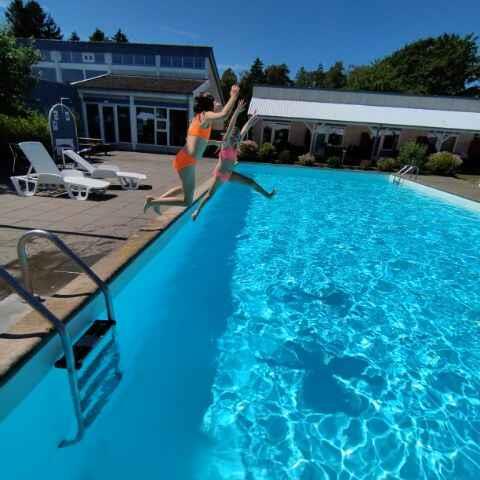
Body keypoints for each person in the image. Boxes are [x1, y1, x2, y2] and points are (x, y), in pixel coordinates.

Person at [144, 85, 240, 214]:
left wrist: (213, 142)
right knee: (188, 201)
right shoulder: (206, 116)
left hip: (184, 159)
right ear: (209, 105)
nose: (217, 103)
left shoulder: (197, 118)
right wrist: (233, 96)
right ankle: (153, 201)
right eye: (215, 101)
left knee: (185, 188)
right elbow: (224, 115)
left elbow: (196, 141)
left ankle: (157, 202)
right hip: (187, 161)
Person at [192, 101, 275, 221]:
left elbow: (245, 129)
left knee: (251, 182)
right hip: (220, 175)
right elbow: (231, 126)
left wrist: (252, 119)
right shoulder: (226, 143)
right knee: (210, 195)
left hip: (230, 174)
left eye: (237, 137)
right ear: (231, 136)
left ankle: (268, 195)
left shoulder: (236, 143)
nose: (237, 139)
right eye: (235, 137)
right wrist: (236, 112)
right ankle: (197, 211)